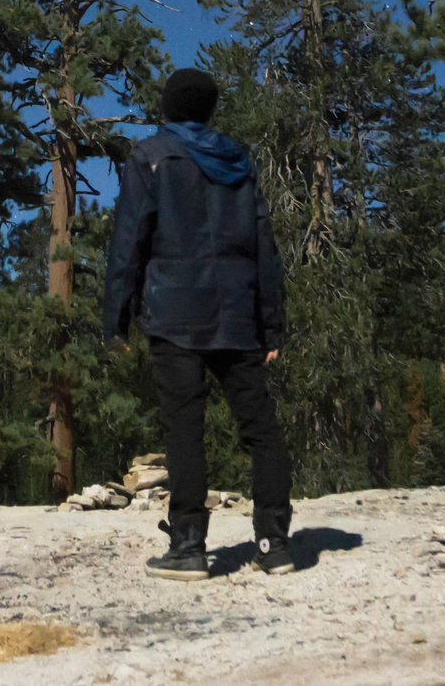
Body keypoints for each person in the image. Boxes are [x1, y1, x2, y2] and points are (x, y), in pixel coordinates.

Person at [102, 67, 294, 579]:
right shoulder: (239, 162)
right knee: (260, 428)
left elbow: (129, 242)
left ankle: (189, 546)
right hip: (236, 314)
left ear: (168, 107)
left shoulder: (150, 158)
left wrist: (116, 320)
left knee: (184, 429)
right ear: (209, 110)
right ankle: (274, 541)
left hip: (174, 313)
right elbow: (264, 249)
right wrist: (271, 325)